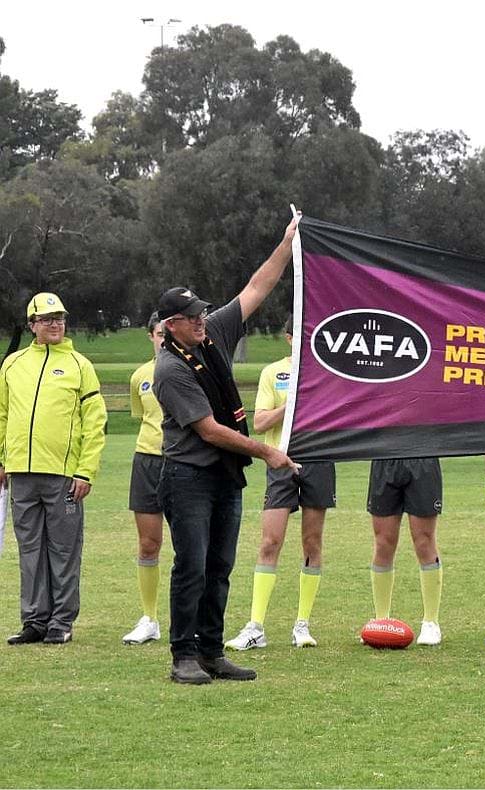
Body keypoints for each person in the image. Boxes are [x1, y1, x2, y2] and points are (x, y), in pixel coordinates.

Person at [152, 214, 300, 685]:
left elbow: (257, 288)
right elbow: (210, 430)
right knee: (192, 565)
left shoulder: (212, 331)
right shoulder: (169, 370)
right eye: (192, 317)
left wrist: (286, 244)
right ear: (171, 325)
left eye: (201, 313)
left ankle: (213, 651)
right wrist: (268, 452)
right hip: (189, 476)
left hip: (223, 476)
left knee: (220, 566)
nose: (201, 320)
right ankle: (183, 655)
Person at [1, 292, 106, 645]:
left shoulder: (80, 365)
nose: (55, 324)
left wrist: (85, 470)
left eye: (59, 317)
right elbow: (2, 415)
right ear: (32, 325)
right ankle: (34, 620)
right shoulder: (12, 364)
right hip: (21, 474)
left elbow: (95, 423)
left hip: (64, 475)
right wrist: (2, 459)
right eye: (46, 319)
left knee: (63, 550)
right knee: (29, 549)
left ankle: (61, 622)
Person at [226, 324, 337, 651]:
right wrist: (292, 405)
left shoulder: (326, 373)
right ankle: (255, 626)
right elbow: (259, 423)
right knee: (270, 541)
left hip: (318, 461)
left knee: (312, 542)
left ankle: (302, 625)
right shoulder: (273, 373)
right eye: (297, 334)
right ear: (289, 338)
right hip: (279, 461)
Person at [122, 313, 167, 645]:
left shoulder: (195, 371)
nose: (164, 339)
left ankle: (191, 618)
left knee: (191, 546)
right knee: (148, 543)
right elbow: (143, 418)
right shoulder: (139, 376)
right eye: (159, 333)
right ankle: (149, 618)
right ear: (151, 336)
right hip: (147, 461)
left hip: (184, 462)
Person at [367, 458, 446, 646]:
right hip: (384, 458)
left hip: (422, 457)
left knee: (424, 541)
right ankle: (381, 620)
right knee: (384, 542)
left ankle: (430, 622)